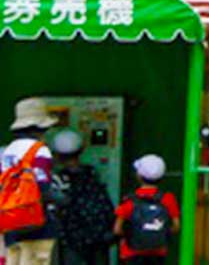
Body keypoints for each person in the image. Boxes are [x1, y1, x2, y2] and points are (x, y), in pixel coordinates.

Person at [2, 99, 58, 265]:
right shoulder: (40, 150)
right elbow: (43, 185)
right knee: (37, 259)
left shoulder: (8, 150)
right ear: (40, 128)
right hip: (35, 220)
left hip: (11, 219)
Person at [46, 130, 113, 265]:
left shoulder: (58, 178)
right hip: (98, 235)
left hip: (72, 237)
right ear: (81, 150)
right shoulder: (92, 173)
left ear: (56, 154)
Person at [111, 156, 176, 262]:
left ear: (139, 176)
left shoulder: (130, 200)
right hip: (158, 252)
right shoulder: (168, 198)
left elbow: (117, 229)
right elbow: (176, 226)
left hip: (131, 253)